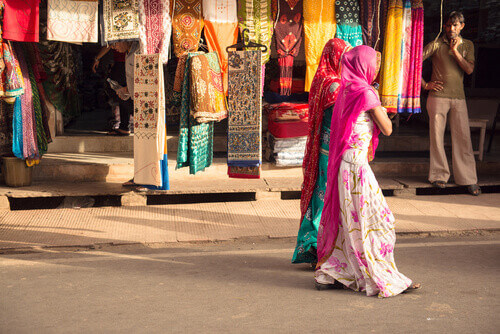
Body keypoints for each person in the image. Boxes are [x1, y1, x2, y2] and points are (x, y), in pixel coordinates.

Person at [314, 45, 420, 297]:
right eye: (374, 65)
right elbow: (387, 129)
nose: (376, 70)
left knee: (348, 221)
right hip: (357, 168)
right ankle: (379, 275)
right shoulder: (366, 92)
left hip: (343, 166)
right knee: (376, 220)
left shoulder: (346, 90)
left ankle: (332, 273)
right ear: (365, 66)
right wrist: (381, 107)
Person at [292, 38, 351, 265]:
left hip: (319, 148)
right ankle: (318, 249)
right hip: (330, 150)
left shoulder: (320, 79)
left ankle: (310, 246)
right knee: (326, 198)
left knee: (317, 196)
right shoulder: (335, 85)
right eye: (343, 57)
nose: (346, 62)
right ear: (336, 58)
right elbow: (340, 118)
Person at [421, 11, 481, 196]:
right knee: (437, 139)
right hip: (437, 98)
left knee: (463, 139)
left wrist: (455, 51)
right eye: (448, 25)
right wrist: (425, 85)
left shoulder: (467, 45)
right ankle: (439, 176)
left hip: (459, 98)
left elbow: (469, 69)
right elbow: (413, 63)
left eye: (455, 25)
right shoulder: (436, 44)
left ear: (462, 26)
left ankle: (468, 179)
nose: (451, 28)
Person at [106, 41, 139, 136]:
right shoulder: (128, 52)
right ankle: (125, 126)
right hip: (133, 93)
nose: (112, 47)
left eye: (114, 43)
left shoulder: (138, 52)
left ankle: (126, 124)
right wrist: (127, 89)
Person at [92, 46, 126, 131]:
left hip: (122, 63)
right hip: (122, 62)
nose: (115, 46)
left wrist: (97, 58)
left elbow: (109, 44)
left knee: (120, 93)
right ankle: (125, 124)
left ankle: (124, 124)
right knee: (122, 93)